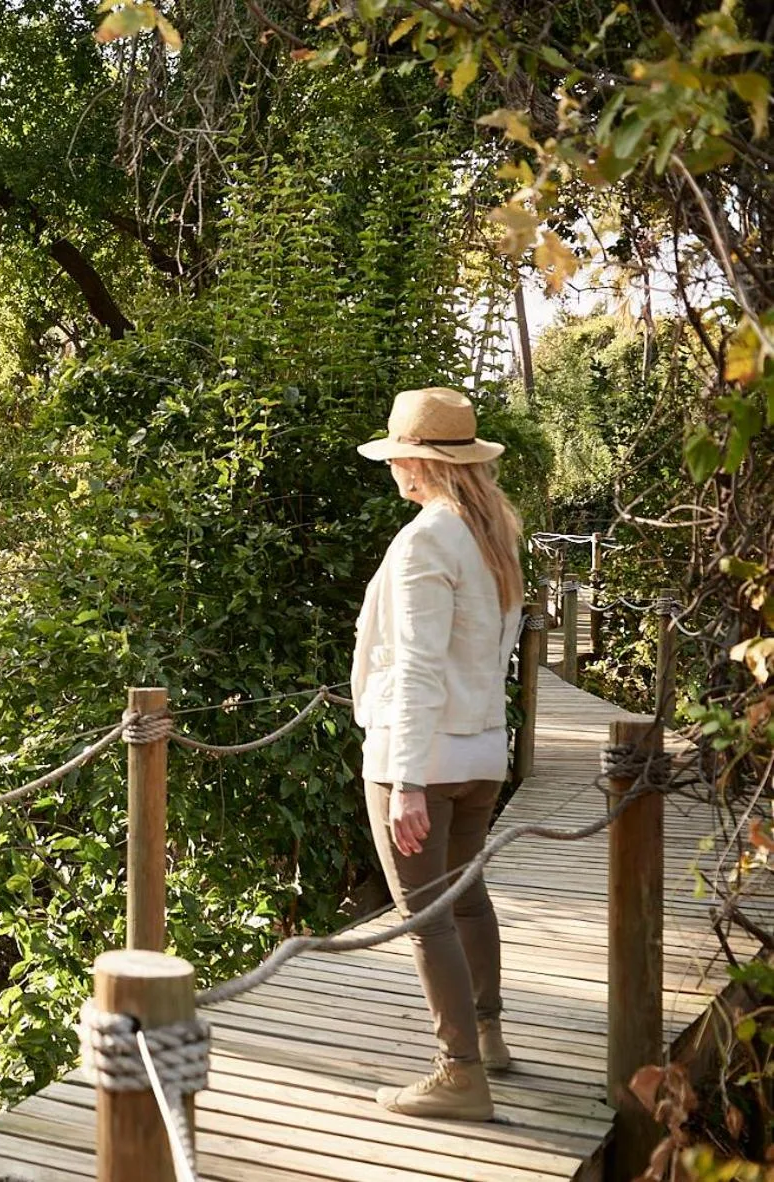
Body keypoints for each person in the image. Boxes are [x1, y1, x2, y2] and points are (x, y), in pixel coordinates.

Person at [350, 387, 523, 1121]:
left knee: (426, 916)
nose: (392, 469)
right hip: (480, 753)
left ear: (415, 463)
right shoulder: (492, 532)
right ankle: (486, 1039)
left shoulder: (426, 537)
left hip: (418, 759)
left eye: (396, 457)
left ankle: (458, 1076)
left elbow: (418, 664)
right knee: (466, 899)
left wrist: (408, 780)